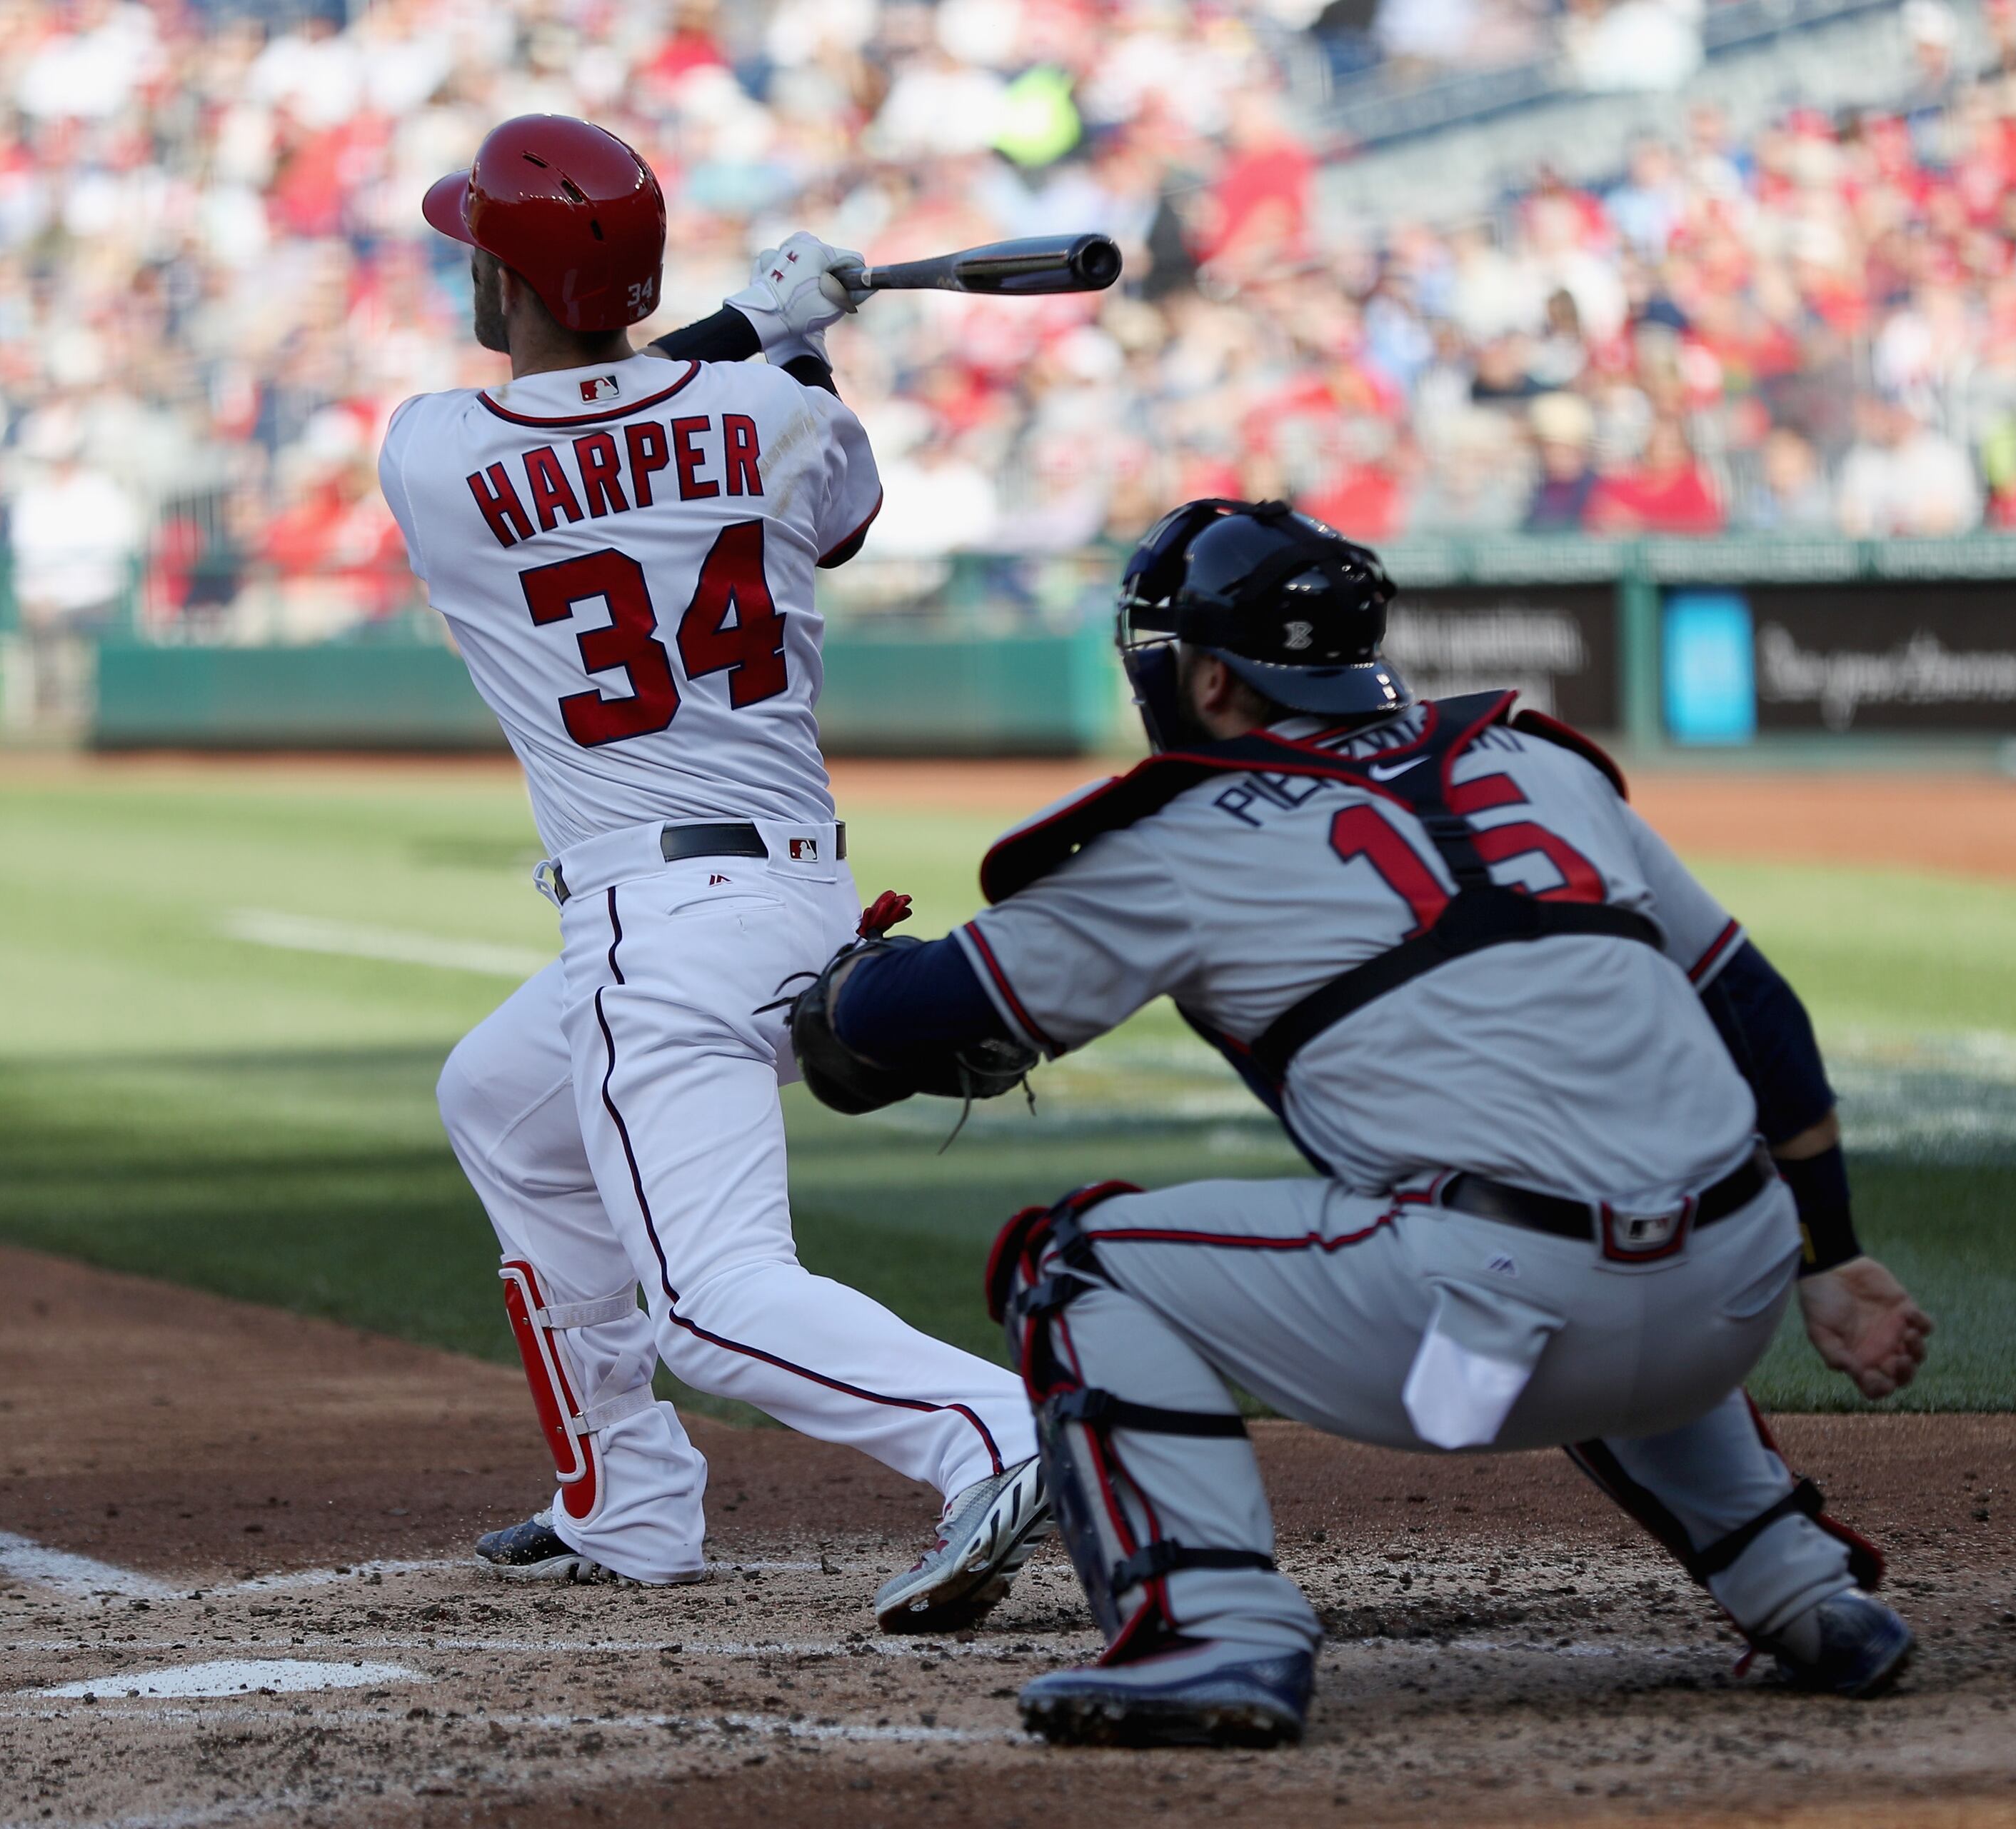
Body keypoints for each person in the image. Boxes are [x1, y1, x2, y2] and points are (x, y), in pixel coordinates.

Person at [784, 498, 1932, 1745]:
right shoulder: (1536, 763)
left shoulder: (1178, 839)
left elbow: (925, 1006)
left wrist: (844, 978)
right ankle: (1801, 1589)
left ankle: (1212, 1633)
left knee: (1072, 1264)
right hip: (1738, 1292)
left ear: (1211, 679)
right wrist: (1832, 1254)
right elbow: (1759, 1013)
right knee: (1599, 1184)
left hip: (1507, 1318)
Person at [375, 115, 1048, 1627]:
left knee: (713, 1302)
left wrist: (764, 320)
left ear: (509, 281)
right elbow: (842, 515)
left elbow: (602, 404)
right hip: (800, 893)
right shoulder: (774, 413)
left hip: (657, 924)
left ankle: (997, 1431)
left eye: (477, 252)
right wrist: (790, 344)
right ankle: (626, 1495)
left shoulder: (431, 452)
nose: (466, 275)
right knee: (500, 1098)